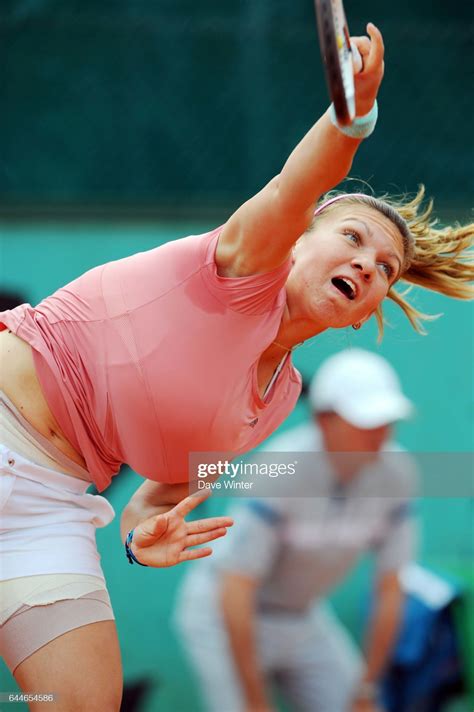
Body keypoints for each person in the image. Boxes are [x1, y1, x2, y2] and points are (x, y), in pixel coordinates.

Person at [0, 21, 472, 710]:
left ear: (366, 308)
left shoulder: (278, 402)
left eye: (383, 269)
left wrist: (139, 538)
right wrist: (353, 113)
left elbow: (165, 492)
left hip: (52, 506)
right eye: (351, 237)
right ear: (301, 234)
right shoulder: (242, 264)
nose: (367, 264)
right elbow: (302, 179)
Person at [175, 349, 419, 712]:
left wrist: (366, 688)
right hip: (221, 615)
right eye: (366, 421)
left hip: (303, 616)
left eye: (386, 420)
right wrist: (255, 699)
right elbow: (236, 587)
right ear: (323, 420)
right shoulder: (279, 469)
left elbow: (391, 589)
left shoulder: (399, 474)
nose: (380, 434)